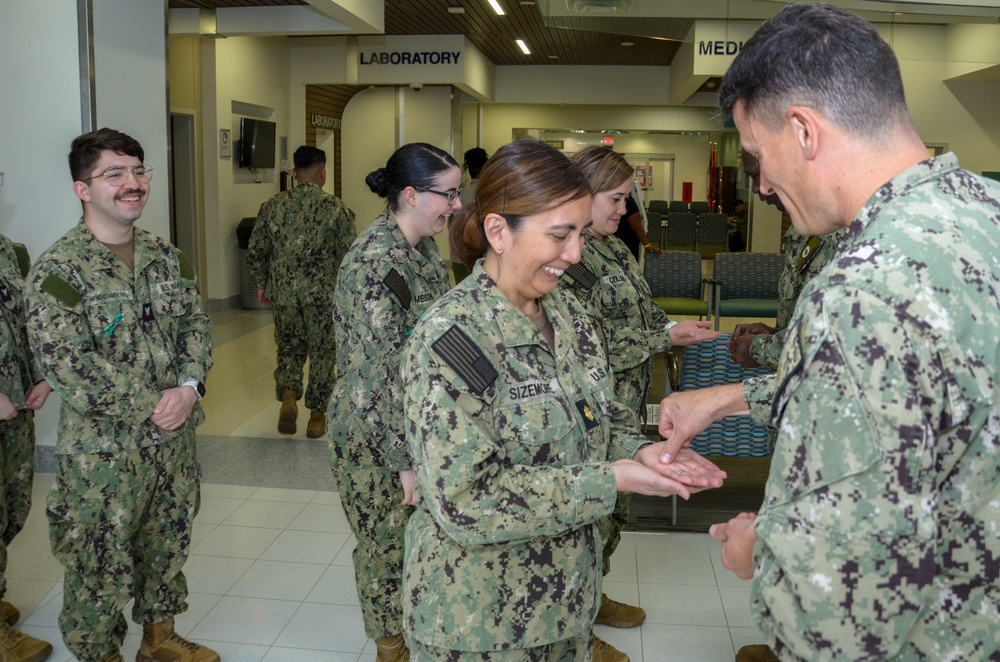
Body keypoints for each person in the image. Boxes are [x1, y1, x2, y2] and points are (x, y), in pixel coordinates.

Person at [655, 5, 1000, 661]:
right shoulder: (984, 212)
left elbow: (833, 603)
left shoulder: (860, 288)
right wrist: (728, 398)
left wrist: (762, 550)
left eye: (756, 156)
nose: (762, 182)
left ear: (804, 131)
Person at [401, 139, 726, 661]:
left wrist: (640, 451)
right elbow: (467, 501)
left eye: (579, 232)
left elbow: (600, 417)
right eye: (559, 235)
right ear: (498, 231)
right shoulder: (452, 339)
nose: (575, 254)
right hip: (481, 621)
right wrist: (614, 478)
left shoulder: (570, 317)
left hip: (565, 604)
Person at [24, 128, 216, 662]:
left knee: (167, 542)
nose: (132, 183)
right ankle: (99, 654)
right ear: (82, 189)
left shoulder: (167, 257)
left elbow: (196, 328)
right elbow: (68, 365)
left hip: (172, 444)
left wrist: (189, 387)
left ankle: (159, 638)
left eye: (138, 171)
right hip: (103, 455)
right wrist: (156, 404)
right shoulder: (60, 270)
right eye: (114, 174)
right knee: (97, 560)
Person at [563, 145, 721, 661]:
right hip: (585, 414)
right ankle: (573, 633)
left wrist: (672, 326)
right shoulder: (568, 255)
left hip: (621, 409)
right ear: (582, 192)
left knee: (612, 516)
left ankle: (592, 597)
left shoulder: (609, 245)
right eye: (615, 199)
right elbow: (589, 343)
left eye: (628, 199)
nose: (623, 211)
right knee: (584, 522)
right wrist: (663, 339)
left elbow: (637, 309)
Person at [329, 143, 459, 662]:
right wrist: (402, 461)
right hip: (374, 434)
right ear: (410, 194)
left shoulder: (423, 250)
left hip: (418, 423)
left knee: (418, 540)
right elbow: (370, 379)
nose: (455, 205)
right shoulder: (373, 263)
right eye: (447, 195)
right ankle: (390, 645)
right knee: (384, 545)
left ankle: (418, 626)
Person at [246, 145, 357, 438]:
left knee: (289, 349)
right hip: (322, 296)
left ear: (294, 173)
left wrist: (262, 283)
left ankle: (289, 395)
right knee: (322, 353)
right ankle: (317, 416)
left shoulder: (272, 207)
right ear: (323, 173)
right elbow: (349, 257)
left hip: (283, 295)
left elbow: (256, 252)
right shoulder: (337, 209)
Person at [728, 152, 845, 374]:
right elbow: (806, 323)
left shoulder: (837, 235)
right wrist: (775, 334)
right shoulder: (803, 231)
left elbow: (826, 347)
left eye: (759, 176)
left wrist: (757, 348)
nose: (757, 189)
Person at [0, 235, 54, 661]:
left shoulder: (10, 251)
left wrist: (41, 375)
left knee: (13, 508)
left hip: (15, 407)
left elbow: (28, 321)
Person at [613, 194, 660, 261]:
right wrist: (647, 246)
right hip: (620, 244)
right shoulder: (623, 199)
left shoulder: (626, 200)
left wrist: (647, 246)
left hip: (626, 243)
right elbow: (637, 225)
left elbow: (636, 225)